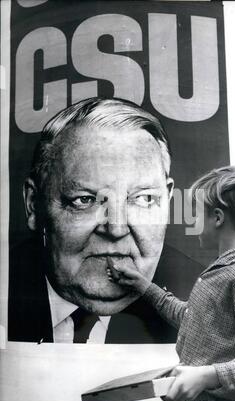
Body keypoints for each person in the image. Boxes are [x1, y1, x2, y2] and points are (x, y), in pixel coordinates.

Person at [8, 97, 201, 344]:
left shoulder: (206, 299)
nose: (116, 228)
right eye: (85, 200)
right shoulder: (9, 286)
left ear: (168, 200)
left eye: (144, 198)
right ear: (34, 204)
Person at [107, 165, 235, 401]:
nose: (193, 221)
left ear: (217, 218)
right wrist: (144, 286)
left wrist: (206, 375)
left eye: (197, 214)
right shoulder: (224, 271)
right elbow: (193, 319)